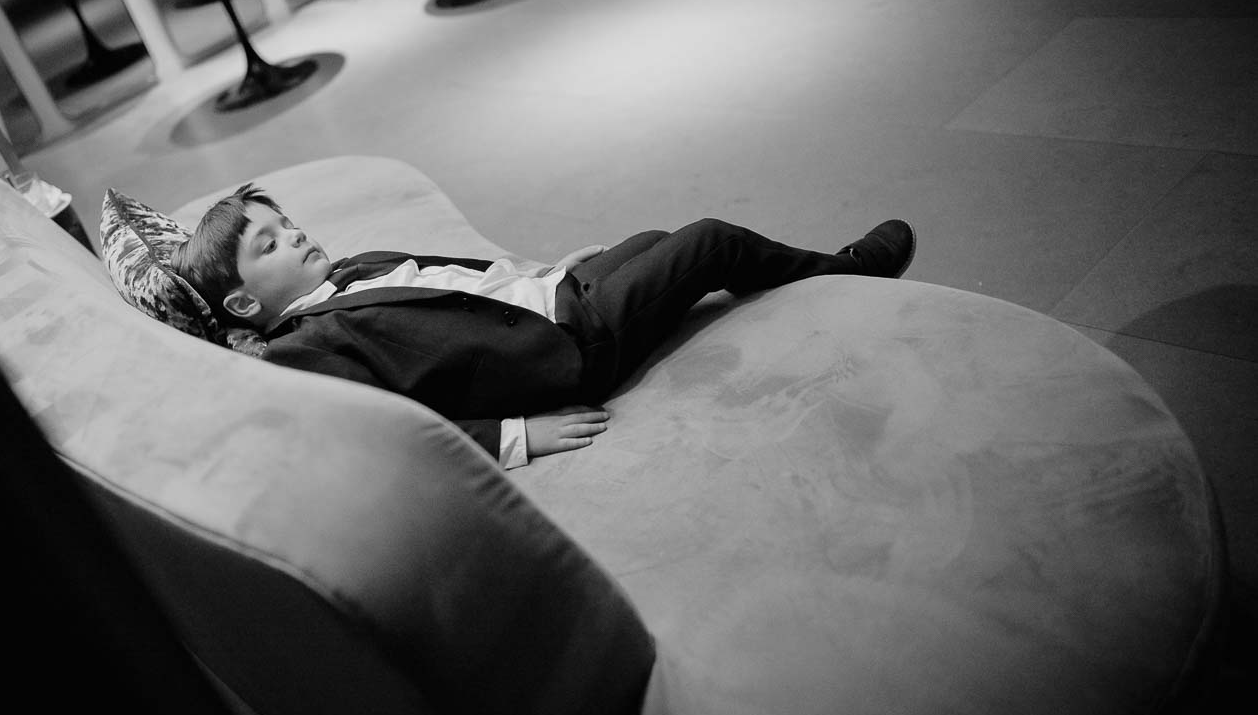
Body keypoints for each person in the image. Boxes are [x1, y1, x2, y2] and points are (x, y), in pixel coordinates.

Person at [171, 185, 915, 468]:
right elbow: (396, 425)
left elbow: (455, 280)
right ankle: (846, 267)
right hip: (565, 348)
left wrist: (546, 271)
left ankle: (614, 279)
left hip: (549, 297)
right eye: (268, 246)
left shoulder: (356, 266)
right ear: (243, 304)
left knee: (652, 239)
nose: (295, 236)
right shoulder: (306, 348)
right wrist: (515, 436)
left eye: (287, 223)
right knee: (706, 240)